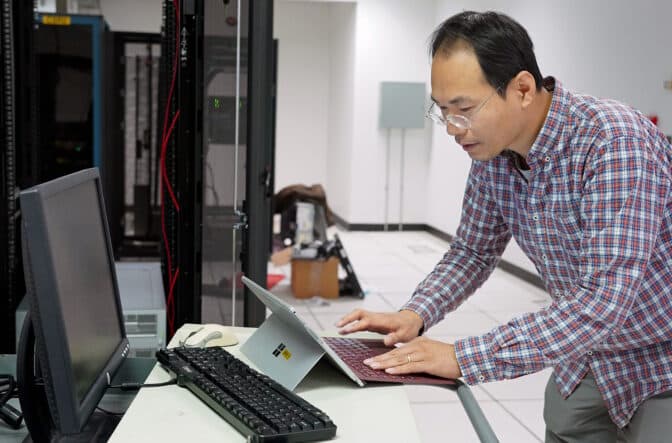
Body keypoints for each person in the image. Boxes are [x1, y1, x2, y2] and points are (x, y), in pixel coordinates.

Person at [336, 10, 672, 443]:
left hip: (659, 364)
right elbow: (473, 252)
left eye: (466, 109)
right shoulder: (494, 156)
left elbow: (603, 301)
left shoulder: (613, 141)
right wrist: (414, 314)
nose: (454, 129)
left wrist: (464, 357)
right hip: (584, 358)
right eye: (443, 112)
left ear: (523, 89)